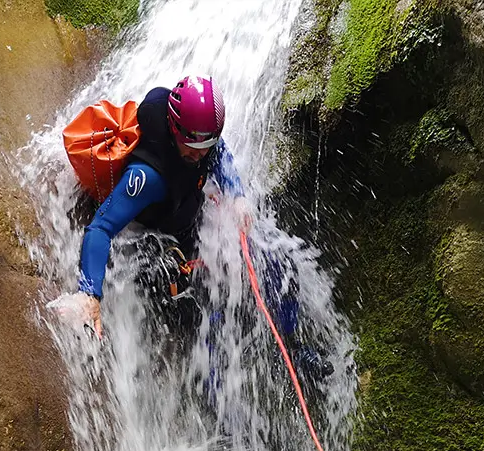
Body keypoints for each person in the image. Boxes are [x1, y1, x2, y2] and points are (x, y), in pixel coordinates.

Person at [65, 74, 333, 382]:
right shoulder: (146, 177)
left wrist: (236, 194)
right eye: (192, 146)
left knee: (280, 266)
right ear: (175, 127)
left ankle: (295, 350)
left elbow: (220, 155)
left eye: (207, 144)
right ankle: (217, 404)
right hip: (159, 249)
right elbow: (101, 227)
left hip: (192, 226)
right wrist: (89, 292)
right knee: (211, 308)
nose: (200, 154)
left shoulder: (203, 142)